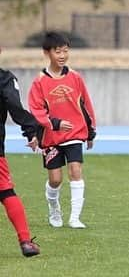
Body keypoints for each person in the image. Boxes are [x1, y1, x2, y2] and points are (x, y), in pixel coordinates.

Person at [28, 31, 96, 229]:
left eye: (66, 51)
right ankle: (53, 207)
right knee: (55, 179)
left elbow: (86, 105)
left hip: (74, 134)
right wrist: (54, 124)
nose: (62, 55)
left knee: (76, 170)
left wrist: (90, 131)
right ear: (47, 53)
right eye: (58, 51)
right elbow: (36, 109)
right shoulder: (40, 81)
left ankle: (75, 218)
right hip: (51, 137)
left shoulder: (75, 77)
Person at [0, 47, 40, 257]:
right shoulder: (4, 79)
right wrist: (31, 130)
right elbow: (15, 106)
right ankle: (25, 241)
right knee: (6, 192)